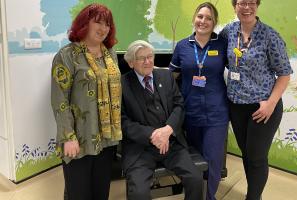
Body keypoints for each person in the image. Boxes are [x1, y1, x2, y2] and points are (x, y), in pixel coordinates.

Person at [219, 1, 293, 200]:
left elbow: (284, 75)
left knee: (257, 157)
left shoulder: (270, 36)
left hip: (263, 106)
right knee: (246, 153)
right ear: (235, 5)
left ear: (257, 5)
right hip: (236, 105)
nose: (246, 7)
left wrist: (270, 104)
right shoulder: (228, 32)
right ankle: (255, 195)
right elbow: (221, 58)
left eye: (251, 2)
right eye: (241, 2)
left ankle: (252, 198)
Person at [51, 4, 122, 200]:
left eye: (107, 23)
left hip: (106, 138)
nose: (103, 28)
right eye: (97, 22)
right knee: (78, 193)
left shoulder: (110, 53)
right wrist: (68, 136)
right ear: (84, 23)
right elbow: (59, 99)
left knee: (101, 192)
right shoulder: (66, 55)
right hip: (79, 138)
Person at [121, 40, 203, 200]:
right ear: (131, 63)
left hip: (172, 144)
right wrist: (153, 135)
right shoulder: (122, 84)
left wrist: (168, 130)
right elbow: (122, 122)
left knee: (195, 179)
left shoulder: (165, 76)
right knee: (139, 193)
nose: (148, 61)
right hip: (140, 149)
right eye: (141, 58)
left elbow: (179, 106)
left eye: (150, 56)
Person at [169, 2, 229, 200]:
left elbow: (238, 69)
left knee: (213, 161)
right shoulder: (182, 46)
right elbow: (172, 77)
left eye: (209, 18)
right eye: (200, 16)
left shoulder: (222, 44)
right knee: (194, 161)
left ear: (214, 23)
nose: (203, 21)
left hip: (216, 112)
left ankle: (209, 197)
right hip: (190, 112)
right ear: (194, 18)